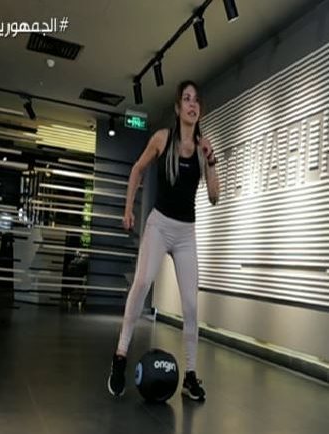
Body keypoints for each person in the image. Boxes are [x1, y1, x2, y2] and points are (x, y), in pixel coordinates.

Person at [107, 80, 220, 402]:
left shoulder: (203, 147)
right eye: (186, 99)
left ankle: (190, 376)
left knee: (191, 305)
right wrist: (128, 209)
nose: (192, 104)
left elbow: (214, 197)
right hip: (159, 224)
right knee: (142, 282)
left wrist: (212, 161)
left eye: (196, 100)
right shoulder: (162, 138)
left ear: (199, 110)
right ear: (177, 107)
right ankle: (120, 357)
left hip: (186, 232)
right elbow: (137, 170)